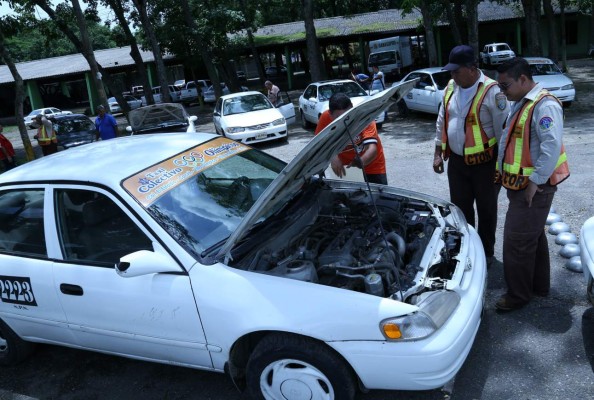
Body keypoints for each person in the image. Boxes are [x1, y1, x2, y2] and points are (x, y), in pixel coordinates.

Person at [494, 57, 569, 312]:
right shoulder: (523, 102)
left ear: (523, 79)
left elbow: (550, 148)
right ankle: (538, 286)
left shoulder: (544, 106)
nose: (503, 92)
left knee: (516, 242)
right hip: (522, 186)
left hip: (534, 188)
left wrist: (534, 183)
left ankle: (517, 296)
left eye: (505, 86)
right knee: (532, 237)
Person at [433, 45, 509, 266]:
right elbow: (442, 121)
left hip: (484, 163)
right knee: (460, 210)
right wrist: (438, 152)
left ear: (472, 68)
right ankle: (467, 250)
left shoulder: (493, 92)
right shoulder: (450, 87)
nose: (452, 75)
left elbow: (502, 134)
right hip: (457, 162)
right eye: (451, 71)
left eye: (456, 71)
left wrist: (500, 168)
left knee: (486, 209)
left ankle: (486, 254)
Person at [314, 93, 387, 185]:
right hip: (343, 169)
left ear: (352, 107)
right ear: (330, 115)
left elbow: (372, 149)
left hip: (372, 165)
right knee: (344, 198)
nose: (345, 121)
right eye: (339, 118)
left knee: (378, 197)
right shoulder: (325, 118)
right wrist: (333, 157)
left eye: (348, 115)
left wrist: (360, 161)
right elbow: (319, 144)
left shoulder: (364, 117)